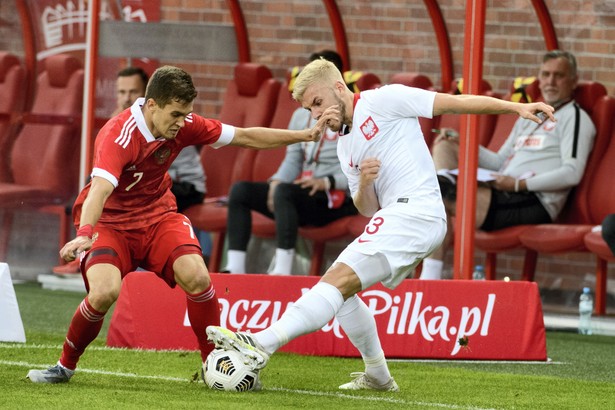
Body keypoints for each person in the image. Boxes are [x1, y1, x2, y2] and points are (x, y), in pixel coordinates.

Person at [205, 58, 555, 391]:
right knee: (340, 291)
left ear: (339, 88)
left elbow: (454, 103)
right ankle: (378, 375)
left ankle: (261, 343)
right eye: (310, 109)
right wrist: (365, 183)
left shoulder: (385, 100)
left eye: (317, 102)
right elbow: (365, 208)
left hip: (418, 211)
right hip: (395, 216)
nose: (316, 115)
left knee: (336, 280)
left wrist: (516, 108)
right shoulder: (344, 145)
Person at [26, 65, 322, 383]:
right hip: (111, 224)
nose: (182, 123)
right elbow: (99, 189)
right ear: (152, 104)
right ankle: (64, 366)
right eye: (176, 114)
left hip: (158, 216)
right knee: (103, 292)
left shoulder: (184, 124)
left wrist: (304, 136)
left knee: (197, 276)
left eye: (186, 114)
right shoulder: (118, 134)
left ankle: (214, 363)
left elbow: (245, 136)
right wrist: (85, 233)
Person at [421, 50, 596, 280]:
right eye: (546, 75)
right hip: (501, 189)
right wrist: (461, 142)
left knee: (438, 197)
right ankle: (443, 188)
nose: (551, 81)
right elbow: (498, 162)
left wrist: (518, 184)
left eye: (559, 75)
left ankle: (428, 280)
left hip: (533, 200)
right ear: (539, 79)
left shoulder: (576, 117)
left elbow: (572, 173)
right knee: (444, 146)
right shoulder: (530, 115)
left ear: (573, 81)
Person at [52, 66, 207, 275]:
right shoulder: (121, 123)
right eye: (121, 92)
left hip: (184, 186)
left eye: (132, 92)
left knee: (133, 199)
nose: (126, 98)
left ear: (149, 98)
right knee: (95, 186)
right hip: (147, 185)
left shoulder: (170, 120)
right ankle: (90, 251)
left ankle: (143, 260)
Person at [224, 50, 357, 275]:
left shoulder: (353, 114)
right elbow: (293, 158)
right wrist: (276, 182)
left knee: (285, 193)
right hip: (304, 193)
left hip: (336, 196)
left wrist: (328, 181)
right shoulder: (300, 116)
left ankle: (282, 270)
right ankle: (234, 268)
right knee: (242, 191)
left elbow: (361, 166)